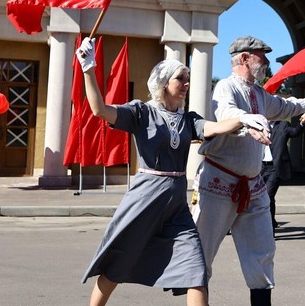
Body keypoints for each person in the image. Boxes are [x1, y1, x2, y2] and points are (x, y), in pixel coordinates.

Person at [75, 37, 269, 306]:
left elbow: (211, 128)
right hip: (146, 199)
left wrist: (242, 119)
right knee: (119, 262)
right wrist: (88, 69)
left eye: (188, 78)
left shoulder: (188, 119)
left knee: (195, 270)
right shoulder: (141, 113)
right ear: (164, 83)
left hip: (177, 205)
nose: (187, 84)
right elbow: (100, 110)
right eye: (181, 79)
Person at [191, 35, 305, 306]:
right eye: (262, 55)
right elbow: (225, 112)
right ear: (244, 58)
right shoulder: (225, 87)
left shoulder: (259, 93)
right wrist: (249, 121)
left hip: (253, 187)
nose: (267, 61)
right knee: (201, 253)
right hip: (217, 185)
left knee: (262, 252)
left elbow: (286, 107)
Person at [261, 111, 305, 231]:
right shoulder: (258, 127)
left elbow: (295, 132)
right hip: (260, 167)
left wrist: (303, 122)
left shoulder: (283, 125)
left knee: (268, 195)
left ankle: (269, 229)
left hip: (275, 167)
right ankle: (271, 221)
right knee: (261, 197)